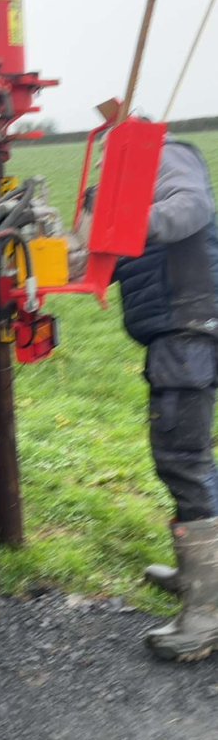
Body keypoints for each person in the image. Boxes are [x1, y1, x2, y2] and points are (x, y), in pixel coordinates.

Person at [74, 130, 218, 661]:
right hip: (175, 332)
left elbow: (191, 206)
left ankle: (209, 611)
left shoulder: (167, 155)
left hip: (189, 330)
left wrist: (122, 220)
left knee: (184, 459)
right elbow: (92, 260)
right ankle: (196, 577)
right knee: (183, 459)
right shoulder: (119, 191)